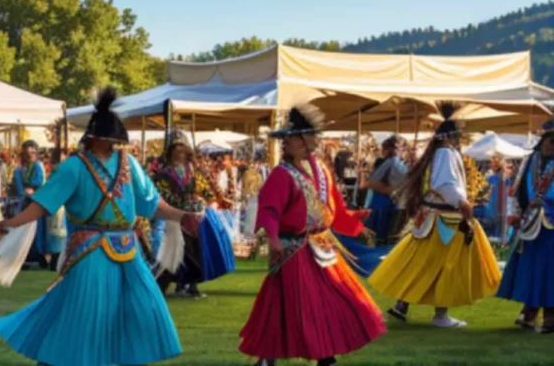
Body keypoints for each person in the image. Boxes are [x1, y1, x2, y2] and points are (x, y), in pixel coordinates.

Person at [0, 87, 200, 366]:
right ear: (95, 138)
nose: (114, 145)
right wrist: (13, 222)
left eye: (117, 139)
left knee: (147, 309)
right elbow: (43, 203)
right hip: (89, 252)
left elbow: (151, 203)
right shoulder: (73, 167)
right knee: (86, 317)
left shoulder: (129, 164)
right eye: (110, 139)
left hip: (128, 251)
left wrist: (181, 215)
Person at [239, 104, 385, 366]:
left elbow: (335, 208)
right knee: (290, 309)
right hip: (293, 251)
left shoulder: (323, 171)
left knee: (333, 302)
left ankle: (325, 356)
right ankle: (271, 358)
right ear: (288, 142)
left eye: (311, 138)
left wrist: (356, 222)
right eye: (301, 139)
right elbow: (269, 210)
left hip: (322, 248)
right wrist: (273, 239)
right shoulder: (282, 175)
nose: (308, 144)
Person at [369, 102, 501, 328]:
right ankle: (440, 315)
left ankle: (402, 305)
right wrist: (461, 202)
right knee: (446, 266)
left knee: (420, 263)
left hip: (430, 218)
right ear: (454, 136)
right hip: (446, 220)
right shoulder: (446, 153)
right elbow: (445, 184)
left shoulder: (436, 153)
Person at [153, 129, 235, 297]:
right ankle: (161, 286)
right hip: (175, 218)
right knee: (175, 254)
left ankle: (190, 285)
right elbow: (163, 195)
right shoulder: (163, 174)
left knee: (194, 254)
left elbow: (207, 190)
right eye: (176, 149)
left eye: (182, 149)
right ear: (169, 152)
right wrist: (181, 205)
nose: (179, 153)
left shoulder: (194, 171)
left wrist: (205, 199)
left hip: (196, 218)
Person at [497, 119, 554, 332]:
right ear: (542, 141)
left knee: (550, 271)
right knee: (531, 269)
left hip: (551, 224)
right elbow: (515, 189)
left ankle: (550, 316)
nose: (552, 145)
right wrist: (515, 214)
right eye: (549, 140)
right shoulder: (530, 161)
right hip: (530, 223)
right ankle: (529, 312)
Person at [13, 139, 65, 270]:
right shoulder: (19, 169)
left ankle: (40, 256)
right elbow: (19, 186)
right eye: (28, 148)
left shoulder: (38, 166)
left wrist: (32, 192)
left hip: (36, 202)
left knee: (38, 231)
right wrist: (25, 193)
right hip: (24, 203)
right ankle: (25, 256)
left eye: (33, 148)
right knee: (24, 231)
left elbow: (39, 183)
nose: (31, 151)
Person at [364, 136, 409, 243]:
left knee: (383, 238)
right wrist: (392, 190)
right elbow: (374, 183)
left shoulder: (397, 162)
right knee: (383, 238)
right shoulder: (390, 162)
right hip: (384, 205)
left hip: (387, 204)